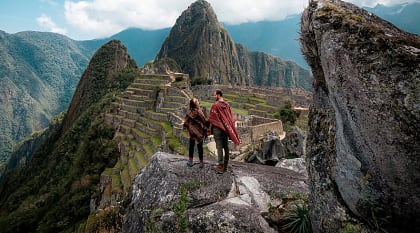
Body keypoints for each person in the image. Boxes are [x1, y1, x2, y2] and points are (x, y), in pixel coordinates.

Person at [208, 89, 240, 173]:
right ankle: (225, 165)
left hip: (218, 129)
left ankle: (220, 165)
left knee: (219, 147)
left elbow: (212, 118)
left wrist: (209, 128)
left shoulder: (215, 105)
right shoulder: (227, 105)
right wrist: (228, 126)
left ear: (218, 95)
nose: (214, 96)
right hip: (225, 129)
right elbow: (231, 117)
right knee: (226, 146)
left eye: (214, 95)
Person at [183, 97, 208, 168]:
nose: (198, 102)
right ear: (195, 104)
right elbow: (204, 120)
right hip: (198, 131)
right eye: (197, 101)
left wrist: (186, 126)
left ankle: (190, 161)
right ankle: (201, 162)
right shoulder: (198, 111)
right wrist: (207, 127)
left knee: (191, 146)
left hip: (191, 130)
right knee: (200, 146)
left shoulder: (189, 111)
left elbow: (186, 120)